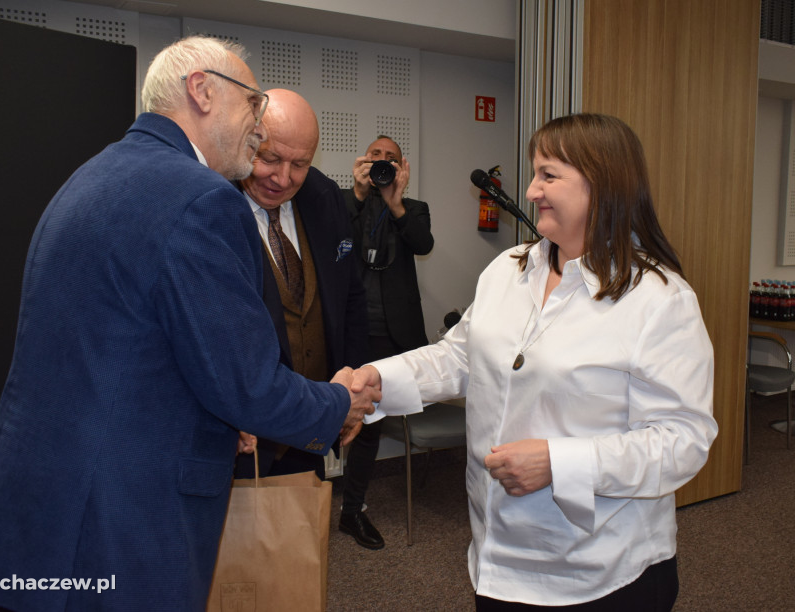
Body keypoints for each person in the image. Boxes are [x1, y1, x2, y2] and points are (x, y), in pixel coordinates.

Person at [0, 36, 379, 611]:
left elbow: (130, 347)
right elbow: (246, 384)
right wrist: (337, 403)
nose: (260, 129)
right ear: (202, 90)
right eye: (253, 104)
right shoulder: (201, 198)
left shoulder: (94, 174)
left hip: (42, 506)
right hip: (117, 518)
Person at [354, 114, 717, 610]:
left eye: (548, 175)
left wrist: (560, 463)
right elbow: (460, 355)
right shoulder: (508, 270)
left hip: (601, 573)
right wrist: (378, 378)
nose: (530, 191)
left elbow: (683, 441)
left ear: (603, 184)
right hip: (496, 557)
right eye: (534, 175)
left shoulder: (660, 300)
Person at [236, 88, 368, 479]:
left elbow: (351, 301)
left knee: (300, 531)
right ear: (248, 141)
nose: (283, 178)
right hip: (246, 435)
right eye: (270, 158)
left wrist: (351, 394)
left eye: (300, 164)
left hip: (315, 424)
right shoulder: (212, 204)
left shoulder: (324, 197)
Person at [339, 136, 434, 549]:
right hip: (352, 328)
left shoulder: (412, 209)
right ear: (362, 161)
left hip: (396, 332)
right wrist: (359, 194)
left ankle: (351, 509)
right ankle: (340, 505)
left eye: (389, 159)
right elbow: (332, 244)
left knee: (371, 426)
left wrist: (396, 204)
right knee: (347, 422)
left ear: (401, 168)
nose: (381, 164)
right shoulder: (346, 203)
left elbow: (423, 244)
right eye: (374, 157)